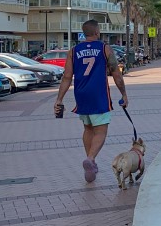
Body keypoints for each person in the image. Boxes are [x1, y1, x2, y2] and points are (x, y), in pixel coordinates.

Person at [54, 19, 127, 183]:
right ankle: (91, 159)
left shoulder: (73, 51)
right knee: (101, 130)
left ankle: (90, 162)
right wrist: (124, 94)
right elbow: (116, 73)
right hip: (98, 95)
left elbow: (66, 76)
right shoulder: (104, 48)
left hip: (81, 95)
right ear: (97, 32)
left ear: (84, 33)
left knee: (88, 127)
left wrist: (59, 99)